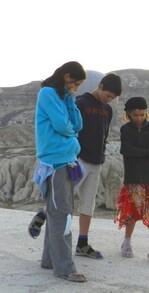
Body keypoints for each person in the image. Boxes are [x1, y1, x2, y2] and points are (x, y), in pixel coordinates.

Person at [29, 74, 123, 261]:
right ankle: (42, 214)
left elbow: (103, 134)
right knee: (65, 199)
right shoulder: (81, 102)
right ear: (100, 86)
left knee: (89, 203)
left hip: (97, 161)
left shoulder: (107, 109)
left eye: (112, 98)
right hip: (78, 160)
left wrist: (102, 153)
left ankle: (82, 243)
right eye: (108, 95)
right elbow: (70, 127)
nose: (109, 100)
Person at [32, 61, 88, 282]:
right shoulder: (47, 94)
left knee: (57, 213)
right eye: (76, 84)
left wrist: (71, 100)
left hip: (67, 161)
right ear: (67, 77)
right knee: (62, 214)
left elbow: (77, 125)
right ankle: (65, 268)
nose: (76, 88)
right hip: (55, 163)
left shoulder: (64, 97)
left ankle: (50, 260)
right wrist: (70, 131)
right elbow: (62, 126)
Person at [114, 97, 149, 265]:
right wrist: (147, 152)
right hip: (133, 178)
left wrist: (140, 152)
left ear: (146, 113)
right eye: (135, 115)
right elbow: (126, 150)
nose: (139, 118)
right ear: (128, 114)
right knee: (131, 213)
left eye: (142, 114)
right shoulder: (125, 130)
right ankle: (127, 242)